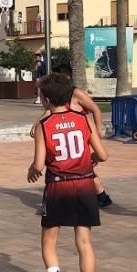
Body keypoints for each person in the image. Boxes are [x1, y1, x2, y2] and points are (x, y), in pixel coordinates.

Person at [27, 73, 109, 272]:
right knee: (84, 241)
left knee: (49, 240)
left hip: (58, 186)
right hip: (84, 185)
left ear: (47, 98)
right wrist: (89, 160)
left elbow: (40, 164)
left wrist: (32, 170)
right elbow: (103, 155)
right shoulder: (83, 119)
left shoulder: (44, 125)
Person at [35, 63, 114, 208]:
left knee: (78, 165)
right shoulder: (58, 97)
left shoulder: (76, 93)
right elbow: (50, 111)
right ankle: (102, 196)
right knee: (78, 166)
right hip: (68, 132)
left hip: (81, 131)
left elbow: (95, 110)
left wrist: (98, 130)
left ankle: (100, 196)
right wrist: (37, 124)